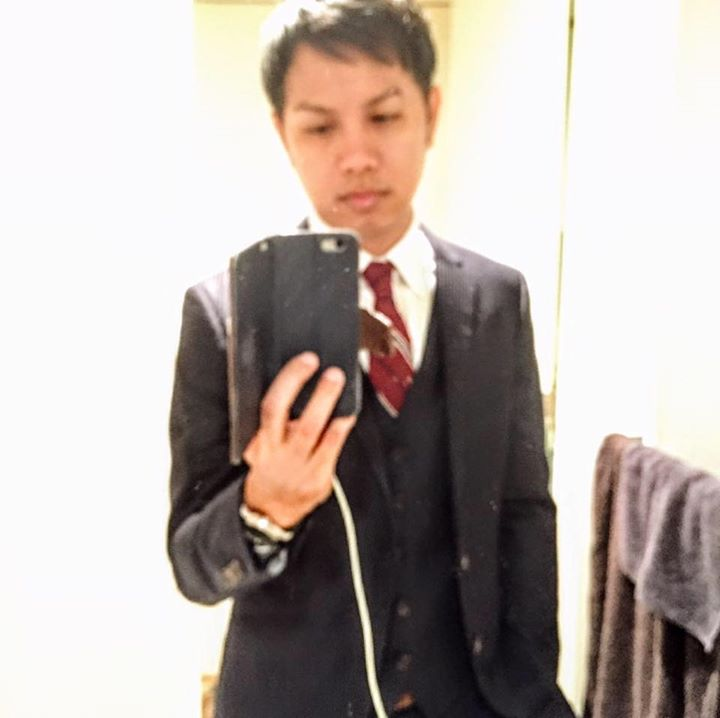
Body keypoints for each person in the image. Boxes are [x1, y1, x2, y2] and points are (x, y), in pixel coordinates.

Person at [167, 1, 575, 716]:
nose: (356, 155)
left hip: (474, 699)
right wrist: (265, 508)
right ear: (283, 134)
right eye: (320, 127)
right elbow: (194, 565)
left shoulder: (495, 298)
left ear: (431, 114)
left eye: (384, 117)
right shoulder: (224, 313)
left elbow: (523, 513)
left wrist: (533, 686)